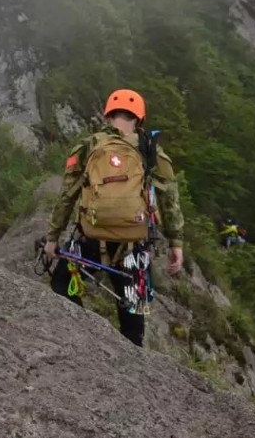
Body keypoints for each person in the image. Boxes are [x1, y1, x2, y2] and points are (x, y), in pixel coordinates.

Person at [42, 88, 185, 347]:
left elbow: (67, 195)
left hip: (90, 240)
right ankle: (130, 356)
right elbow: (169, 201)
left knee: (62, 284)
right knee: (133, 317)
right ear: (139, 119)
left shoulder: (88, 147)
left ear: (108, 116)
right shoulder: (153, 152)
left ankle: (87, 342)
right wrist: (176, 243)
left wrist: (53, 238)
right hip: (134, 247)